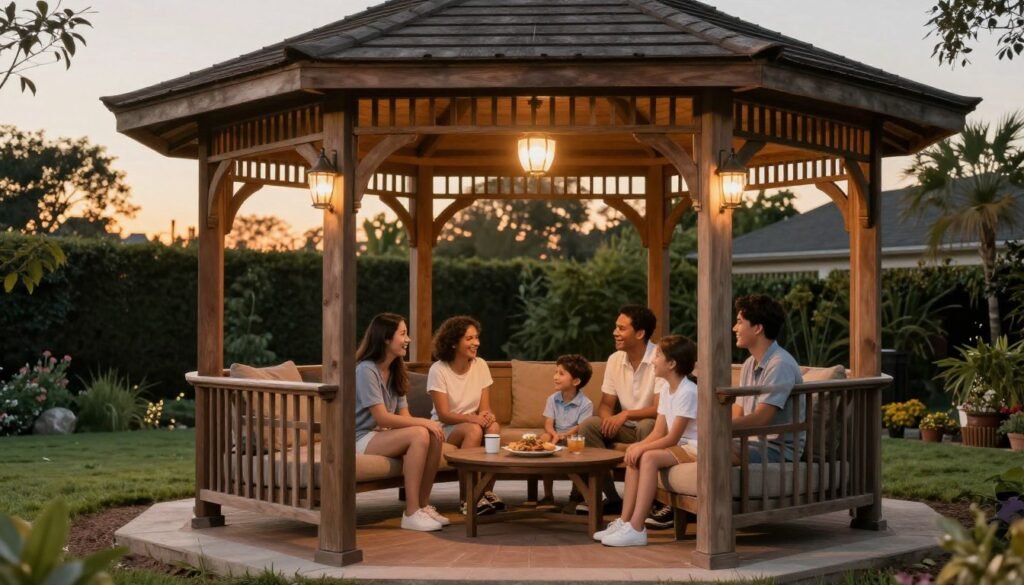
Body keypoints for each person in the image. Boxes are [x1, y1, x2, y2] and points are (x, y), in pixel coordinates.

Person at [595, 335, 698, 547]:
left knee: (648, 457)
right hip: (681, 445)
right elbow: (659, 431)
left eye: (657, 355)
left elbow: (673, 437)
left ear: (671, 363)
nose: (652, 360)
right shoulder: (668, 390)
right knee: (636, 453)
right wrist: (637, 446)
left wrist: (645, 448)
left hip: (694, 447)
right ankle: (625, 521)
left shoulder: (688, 391)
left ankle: (637, 527)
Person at [353, 313, 448, 532]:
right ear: (386, 338)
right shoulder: (366, 370)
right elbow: (381, 417)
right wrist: (424, 424)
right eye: (403, 334)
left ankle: (422, 505)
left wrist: (427, 425)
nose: (408, 339)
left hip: (381, 435)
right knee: (420, 433)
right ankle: (411, 512)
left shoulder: (396, 369)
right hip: (360, 437)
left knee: (433, 433)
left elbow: (403, 415)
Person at [576, 305, 662, 518]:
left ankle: (651, 501)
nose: (615, 333)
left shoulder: (660, 358)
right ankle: (612, 498)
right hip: (625, 426)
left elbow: (660, 409)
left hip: (653, 424)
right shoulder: (615, 359)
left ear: (640, 333)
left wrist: (625, 415)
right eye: (616, 327)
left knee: (646, 426)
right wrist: (608, 420)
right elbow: (606, 404)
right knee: (589, 426)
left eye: (621, 328)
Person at [427, 315, 505, 515]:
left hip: (473, 421)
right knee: (473, 430)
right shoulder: (439, 369)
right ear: (453, 343)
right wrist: (474, 419)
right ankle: (468, 499)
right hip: (445, 427)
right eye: (469, 339)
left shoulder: (481, 365)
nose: (476, 343)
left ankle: (487, 491)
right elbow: (444, 414)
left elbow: (484, 407)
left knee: (494, 429)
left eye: (476, 338)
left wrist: (487, 416)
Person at [731, 294, 804, 463]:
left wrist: (720, 428)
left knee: (712, 449)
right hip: (750, 442)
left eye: (740, 322)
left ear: (757, 328)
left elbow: (762, 418)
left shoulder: (780, 364)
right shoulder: (749, 363)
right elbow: (739, 409)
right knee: (697, 445)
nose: (734, 328)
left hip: (777, 450)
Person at [538, 354, 594, 503]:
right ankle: (548, 495)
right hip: (555, 435)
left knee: (578, 444)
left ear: (576, 381)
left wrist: (564, 435)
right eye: (556, 372)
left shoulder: (586, 404)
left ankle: (576, 493)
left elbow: (580, 427)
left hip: (573, 437)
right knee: (544, 439)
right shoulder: (552, 399)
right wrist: (554, 434)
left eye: (561, 374)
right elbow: (548, 423)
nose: (555, 377)